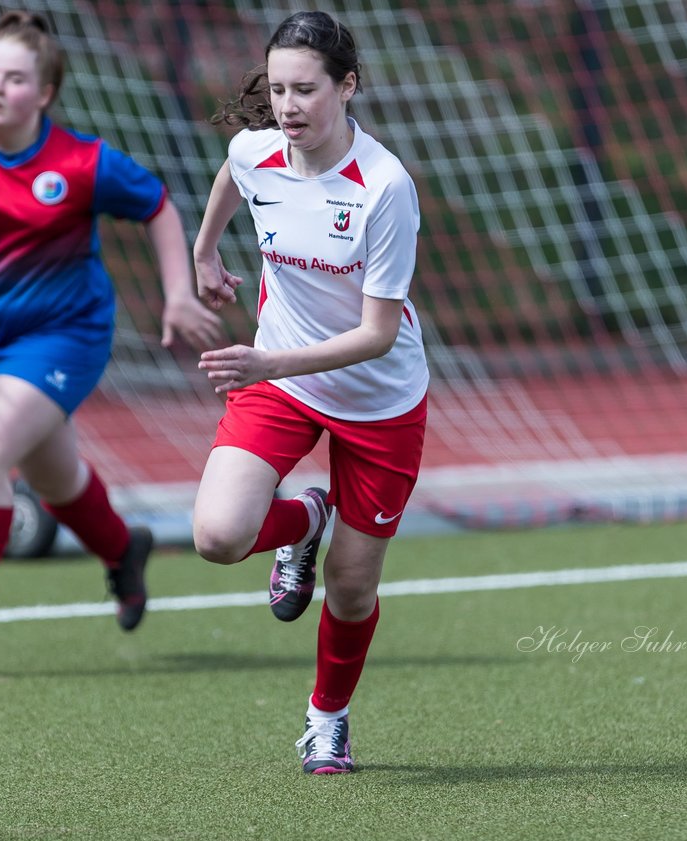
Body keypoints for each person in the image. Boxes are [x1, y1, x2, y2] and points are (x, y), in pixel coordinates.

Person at [0, 11, 222, 662]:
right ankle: (125, 552)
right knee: (55, 476)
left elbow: (156, 205)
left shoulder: (79, 162)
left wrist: (178, 292)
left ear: (43, 94)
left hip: (67, 336)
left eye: (14, 78)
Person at [191, 11, 428, 774]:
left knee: (351, 589)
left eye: (307, 90)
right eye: (279, 90)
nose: (288, 107)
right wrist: (204, 252)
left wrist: (265, 366)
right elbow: (234, 173)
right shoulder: (258, 151)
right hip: (283, 381)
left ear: (347, 86)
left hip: (377, 399)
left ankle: (328, 719)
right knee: (218, 537)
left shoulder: (384, 186)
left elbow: (377, 335)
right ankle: (306, 517)